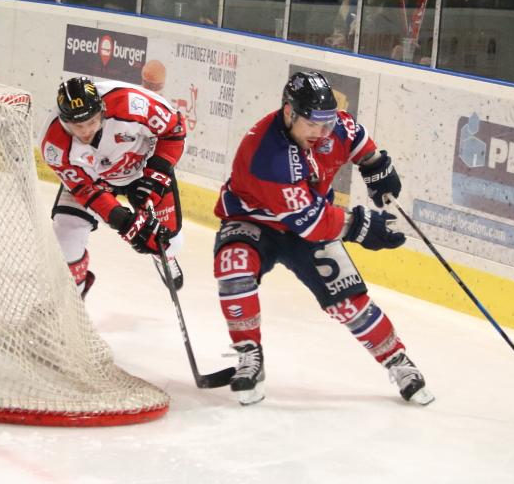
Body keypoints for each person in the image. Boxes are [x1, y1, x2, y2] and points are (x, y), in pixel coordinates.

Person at [212, 71, 433, 407]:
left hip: (309, 220)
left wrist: (376, 168)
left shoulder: (334, 127)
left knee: (348, 301)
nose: (320, 133)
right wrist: (361, 226)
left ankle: (398, 360)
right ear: (289, 113)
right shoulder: (266, 154)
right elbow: (312, 223)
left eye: (326, 124)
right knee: (234, 270)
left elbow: (357, 140)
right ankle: (249, 355)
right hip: (254, 221)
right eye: (312, 124)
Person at [40, 76, 186, 298]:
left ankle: (164, 257)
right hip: (94, 180)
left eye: (92, 121)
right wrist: (124, 222)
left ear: (102, 109)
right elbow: (85, 189)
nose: (86, 131)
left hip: (142, 171)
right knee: (66, 236)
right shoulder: (54, 144)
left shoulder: (129, 103)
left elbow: (174, 129)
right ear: (64, 121)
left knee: (170, 243)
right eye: (77, 126)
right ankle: (71, 300)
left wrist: (156, 176)